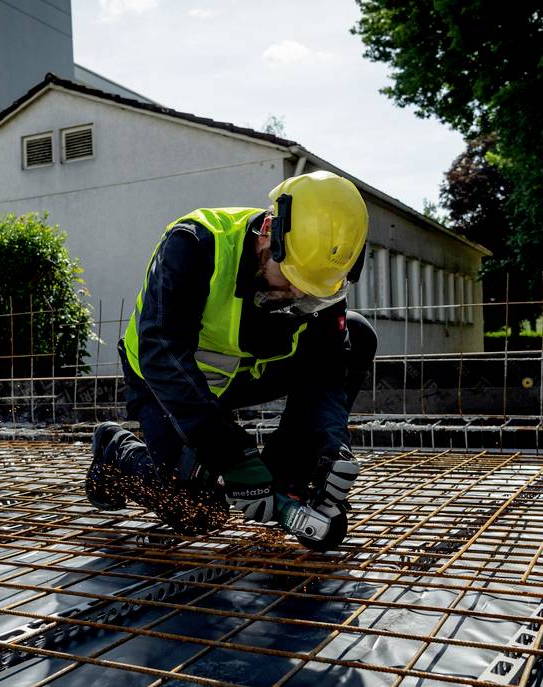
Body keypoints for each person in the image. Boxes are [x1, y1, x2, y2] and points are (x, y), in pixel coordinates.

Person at [85, 170, 377, 538]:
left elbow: (329, 371)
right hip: (169, 380)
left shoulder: (319, 277)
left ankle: (286, 476)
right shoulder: (194, 244)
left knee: (357, 334)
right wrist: (230, 455)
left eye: (310, 290)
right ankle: (118, 452)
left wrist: (330, 447)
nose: (297, 296)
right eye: (289, 279)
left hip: (244, 375)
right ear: (270, 232)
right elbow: (162, 351)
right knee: (199, 512)